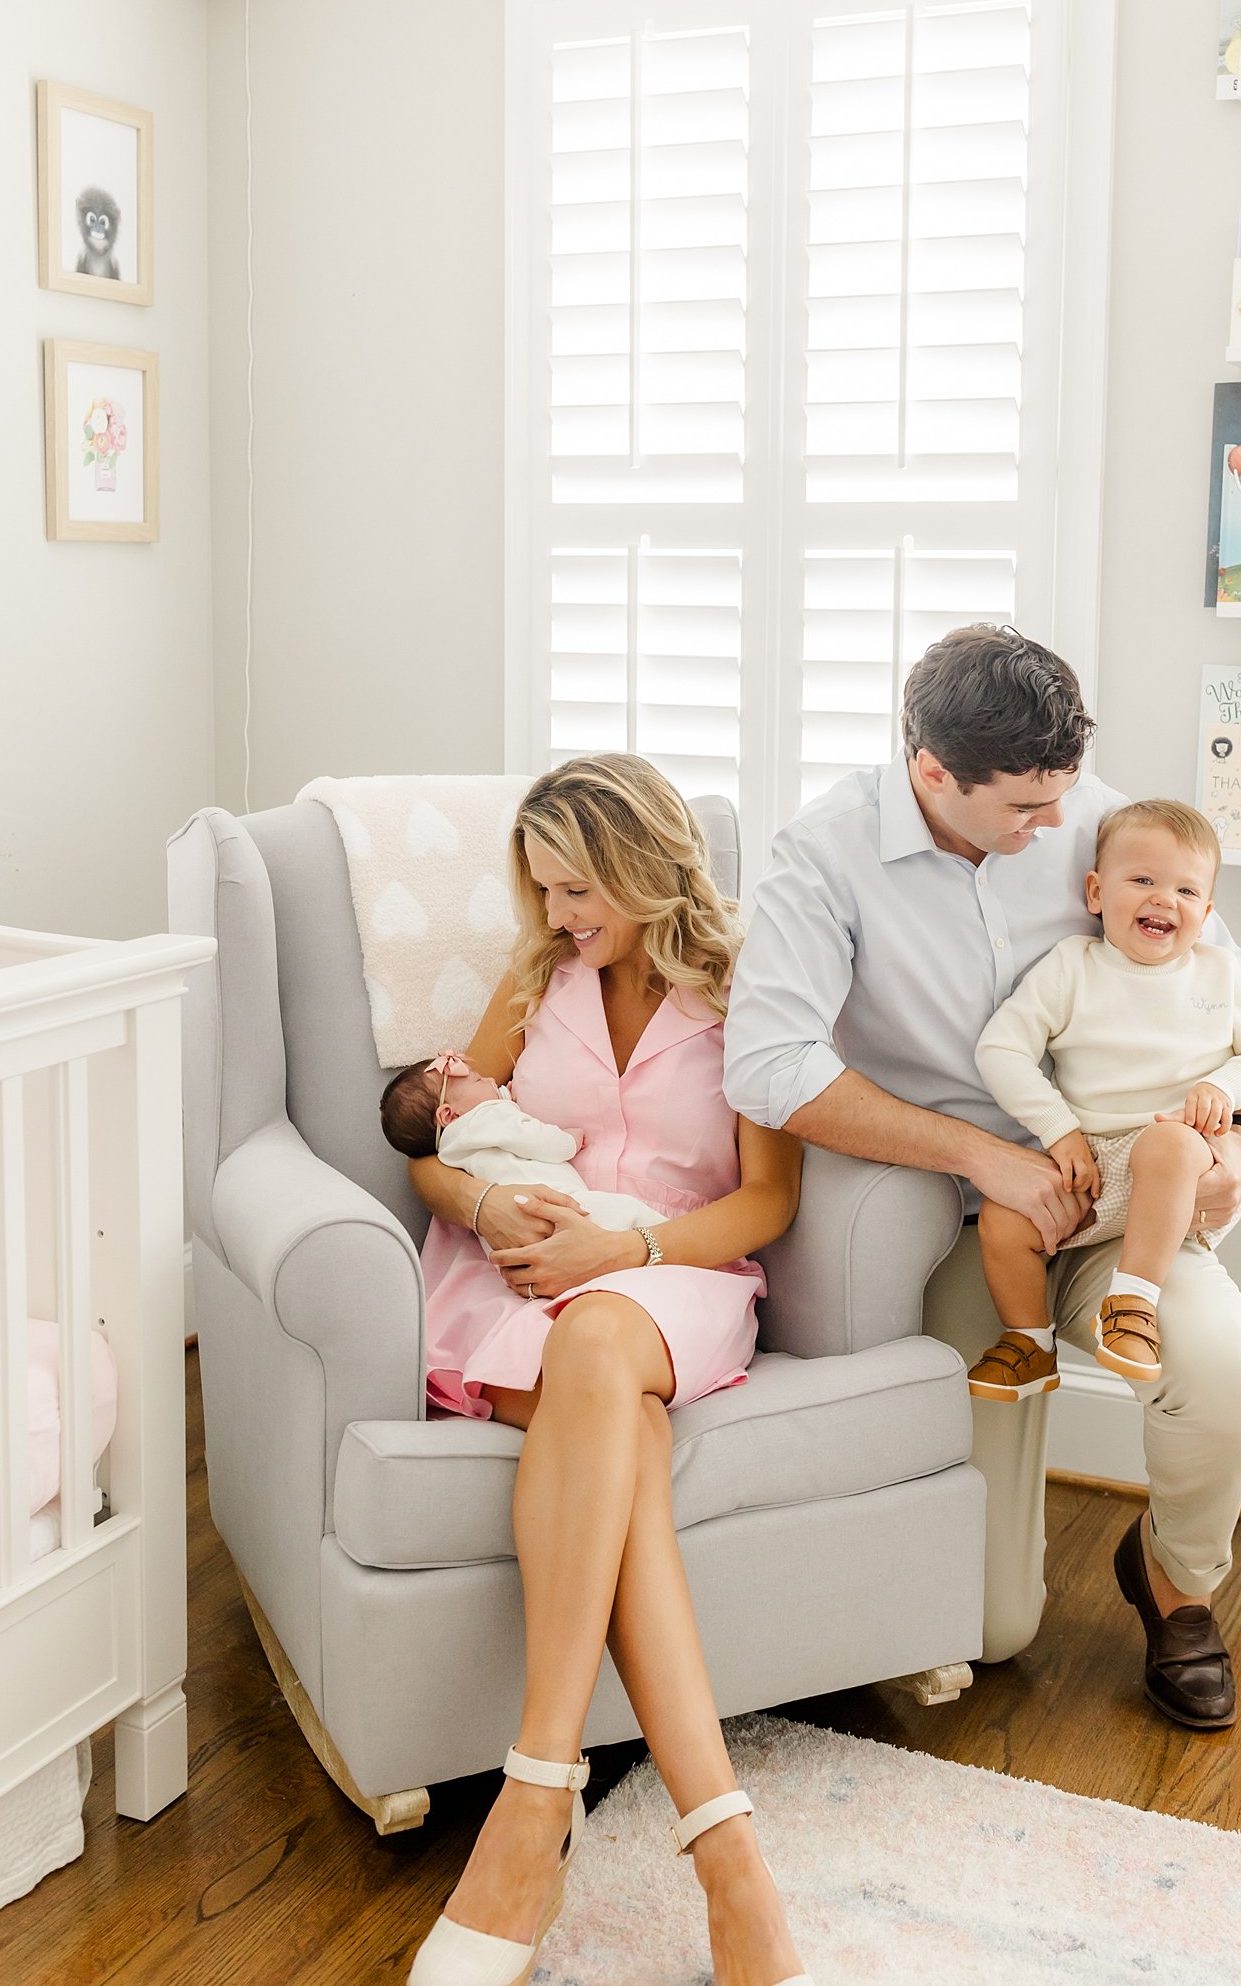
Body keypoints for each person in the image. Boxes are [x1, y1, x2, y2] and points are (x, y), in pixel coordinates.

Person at [723, 626, 1241, 1734]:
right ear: (933, 773)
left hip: (1124, 1192)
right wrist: (991, 1160)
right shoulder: (823, 855)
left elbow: (1221, 997)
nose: (1053, 827)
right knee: (993, 1628)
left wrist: (1238, 1146)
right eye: (1024, 809)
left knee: (1224, 1377)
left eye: (1060, 795)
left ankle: (1176, 1583)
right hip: (967, 1215)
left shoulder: (1093, 813)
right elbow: (766, 1063)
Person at [400, 754, 810, 1986]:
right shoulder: (537, 985)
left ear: (642, 860)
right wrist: (485, 1197)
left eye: (578, 888)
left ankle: (533, 1807)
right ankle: (729, 1859)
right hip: (522, 1282)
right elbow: (437, 1149)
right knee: (612, 1433)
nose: (561, 916)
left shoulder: (751, 989)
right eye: (543, 892)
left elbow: (770, 1202)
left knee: (601, 1347)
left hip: (676, 1274)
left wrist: (623, 1244)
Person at [967, 798, 1241, 1397]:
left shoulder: (1220, 973)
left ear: (1205, 911)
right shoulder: (1073, 966)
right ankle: (1029, 1342)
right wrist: (1058, 1130)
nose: (1163, 899)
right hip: (1086, 1163)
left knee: (1168, 1144)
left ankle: (1133, 1304)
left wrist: (1225, 1088)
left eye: (1185, 890)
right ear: (1096, 892)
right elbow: (1000, 1049)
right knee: (1002, 1217)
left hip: (1176, 1167)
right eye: (1142, 880)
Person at [380, 1049, 667, 1242]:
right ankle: (671, 1238)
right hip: (559, 1204)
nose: (493, 1080)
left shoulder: (451, 1150)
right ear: (448, 1114)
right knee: (627, 1212)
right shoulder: (487, 1116)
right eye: (479, 1080)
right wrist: (569, 1140)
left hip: (512, 1234)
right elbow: (535, 1140)